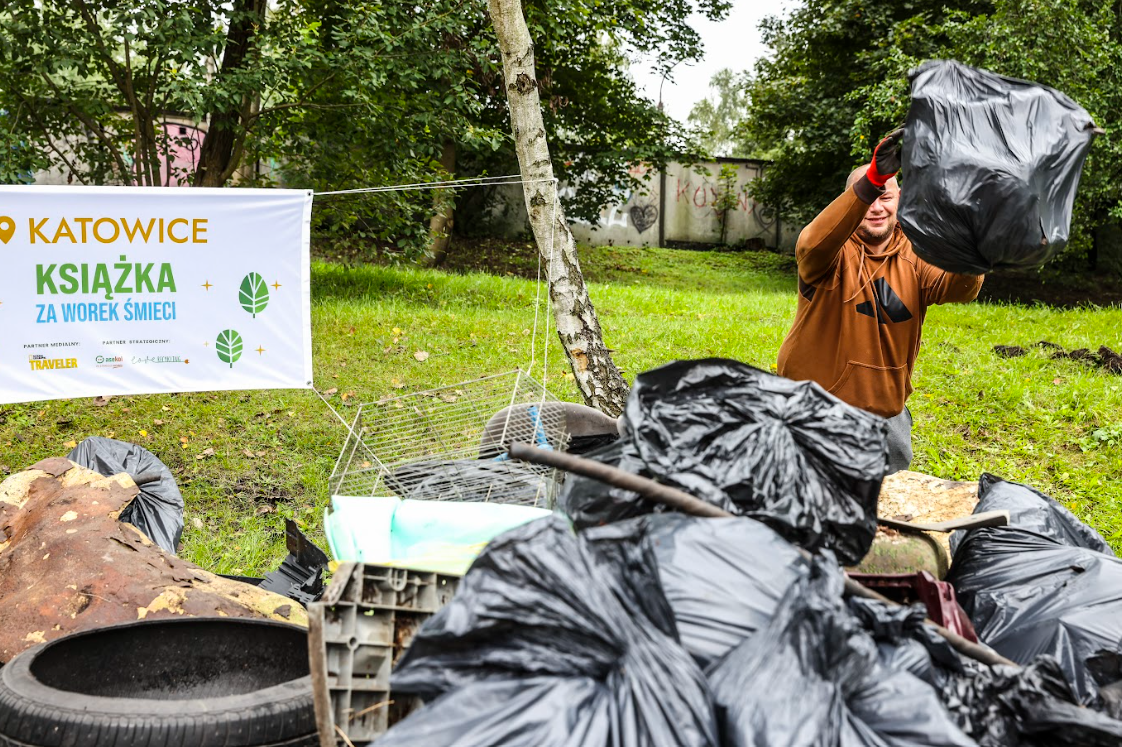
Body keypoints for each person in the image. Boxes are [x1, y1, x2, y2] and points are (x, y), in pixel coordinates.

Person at [776, 129, 984, 473]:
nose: (876, 208)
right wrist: (873, 179)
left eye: (885, 196)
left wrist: (976, 247)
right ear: (851, 203)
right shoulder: (831, 251)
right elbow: (811, 245)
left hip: (884, 409)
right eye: (868, 198)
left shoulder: (916, 252)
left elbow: (960, 288)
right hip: (812, 405)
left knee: (888, 496)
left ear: (900, 198)